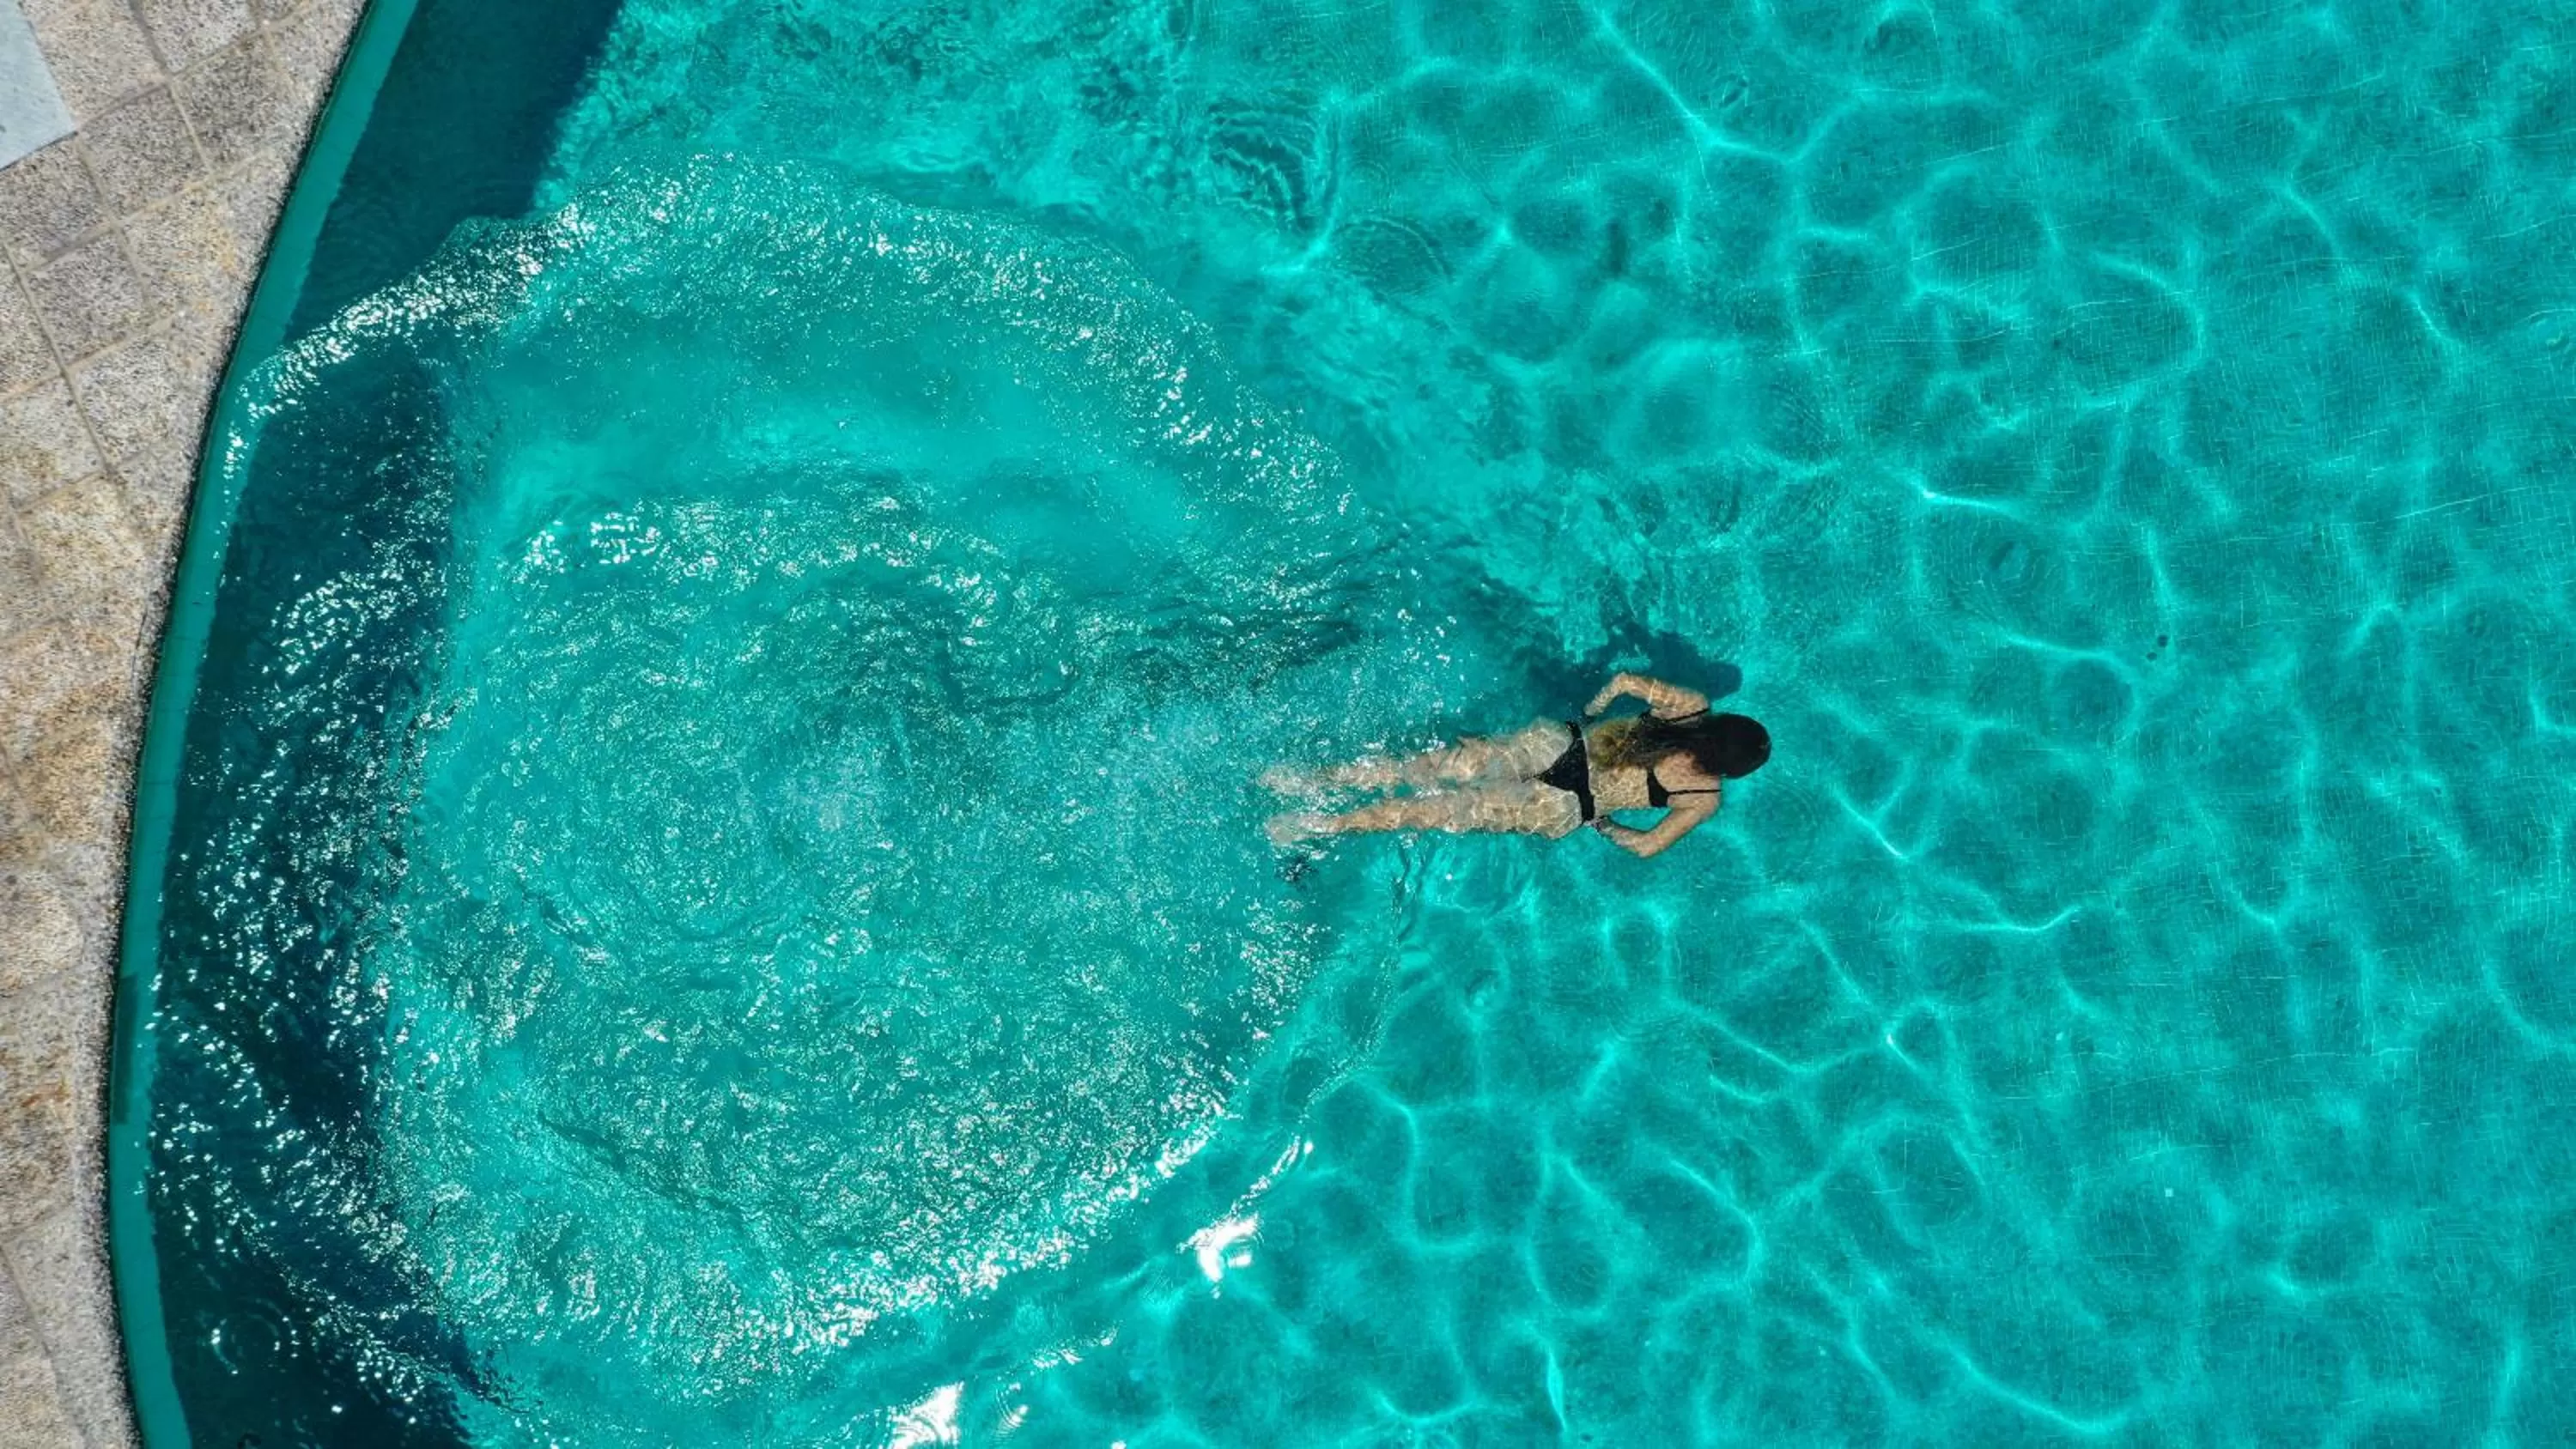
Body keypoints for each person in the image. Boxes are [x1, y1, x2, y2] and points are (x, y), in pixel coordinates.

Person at [1262, 671, 1769, 857]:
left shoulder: (1692, 705)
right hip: (1565, 806)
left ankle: (1308, 781)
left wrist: (1589, 714)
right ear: (1731, 768)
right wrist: (1604, 824)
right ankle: (1319, 826)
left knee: (1419, 768)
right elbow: (1645, 848)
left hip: (1558, 745)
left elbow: (1623, 683)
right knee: (1431, 813)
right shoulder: (1704, 798)